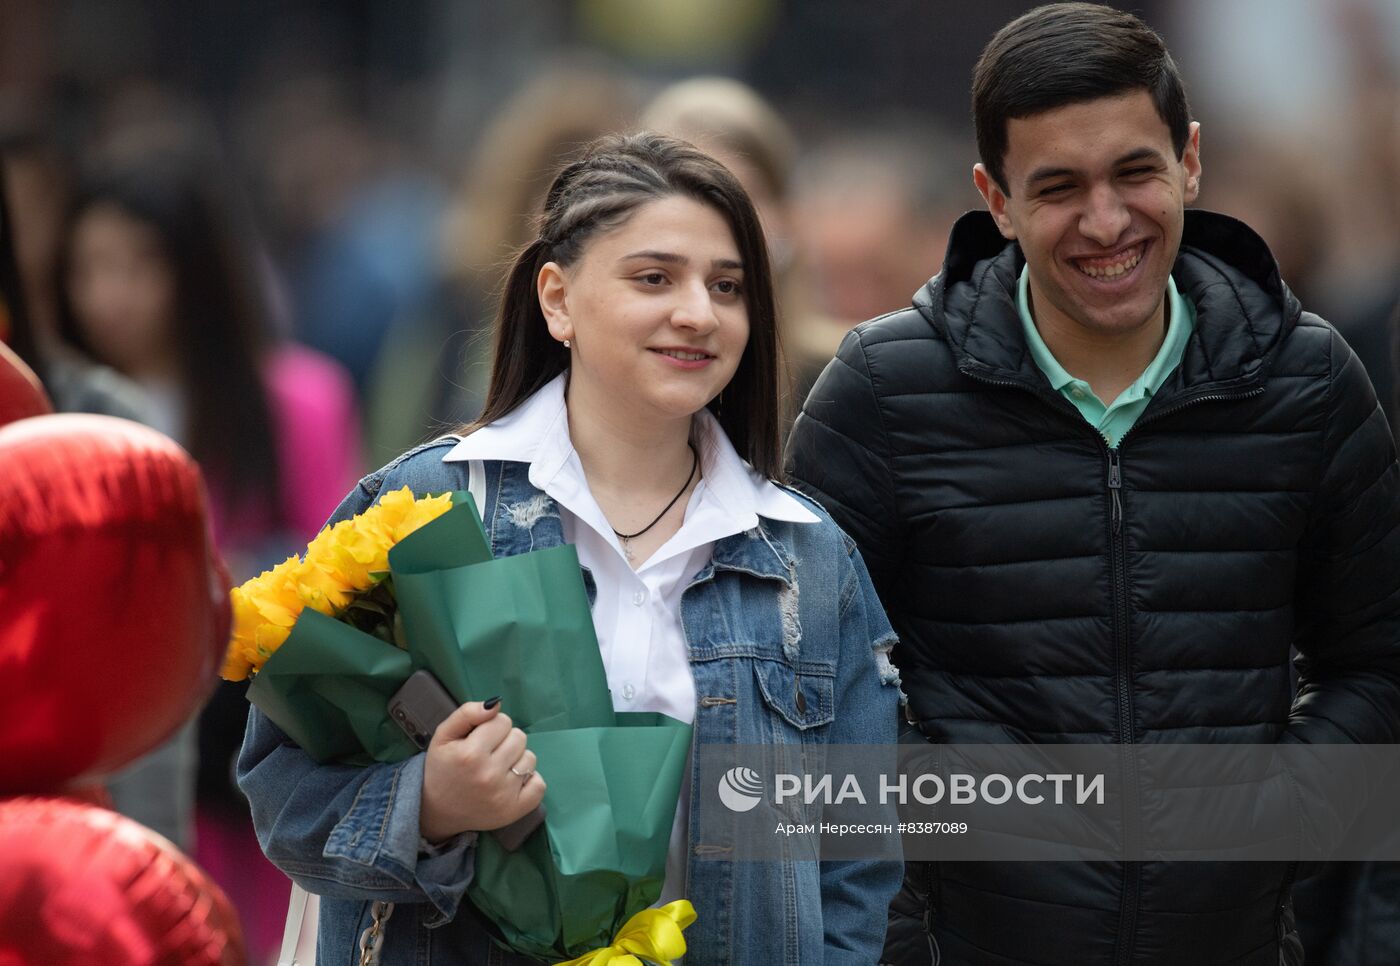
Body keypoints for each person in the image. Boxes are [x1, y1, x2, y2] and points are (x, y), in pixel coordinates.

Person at [785, 4, 1400, 964]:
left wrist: (1269, 824)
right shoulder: (881, 393)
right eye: (1059, 186)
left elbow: (1378, 664)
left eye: (1136, 172)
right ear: (995, 198)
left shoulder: (1308, 383)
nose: (1106, 221)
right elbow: (806, 701)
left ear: (1190, 160)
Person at [238, 132, 903, 964]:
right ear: (556, 299)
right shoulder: (423, 516)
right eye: (654, 277)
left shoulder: (808, 562)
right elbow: (279, 794)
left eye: (727, 286)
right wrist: (429, 803)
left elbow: (858, 861)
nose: (699, 311)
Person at [53, 138, 363, 963]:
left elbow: (339, 582)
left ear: (197, 267)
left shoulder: (299, 403)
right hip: (109, 765)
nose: (111, 293)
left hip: (250, 774)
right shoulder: (61, 412)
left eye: (140, 262)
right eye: (89, 266)